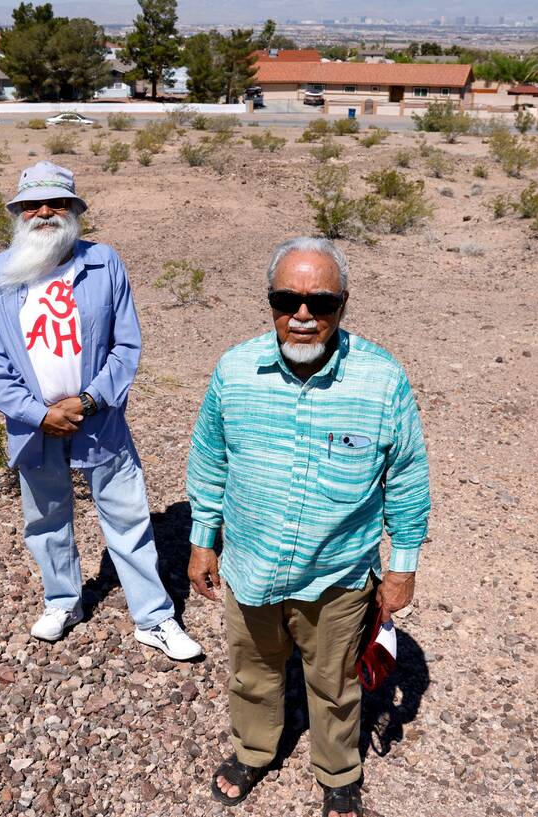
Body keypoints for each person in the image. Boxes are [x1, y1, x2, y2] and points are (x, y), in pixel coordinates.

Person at [186, 237, 431, 817]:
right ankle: (253, 750)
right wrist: (202, 541)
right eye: (286, 299)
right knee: (252, 673)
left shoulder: (381, 379)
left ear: (343, 305)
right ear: (269, 302)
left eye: (320, 302)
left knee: (336, 684)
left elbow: (407, 478)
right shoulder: (235, 370)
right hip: (251, 565)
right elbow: (209, 458)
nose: (302, 315)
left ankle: (339, 771)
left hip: (338, 574)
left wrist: (402, 569)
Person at [0, 161, 201, 661]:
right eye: (32, 204)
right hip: (35, 428)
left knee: (128, 517)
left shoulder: (103, 263)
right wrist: (37, 413)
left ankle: (155, 618)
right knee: (47, 518)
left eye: (56, 202)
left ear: (75, 210)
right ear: (18, 213)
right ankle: (63, 601)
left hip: (100, 421)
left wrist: (90, 400)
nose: (44, 212)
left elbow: (126, 345)